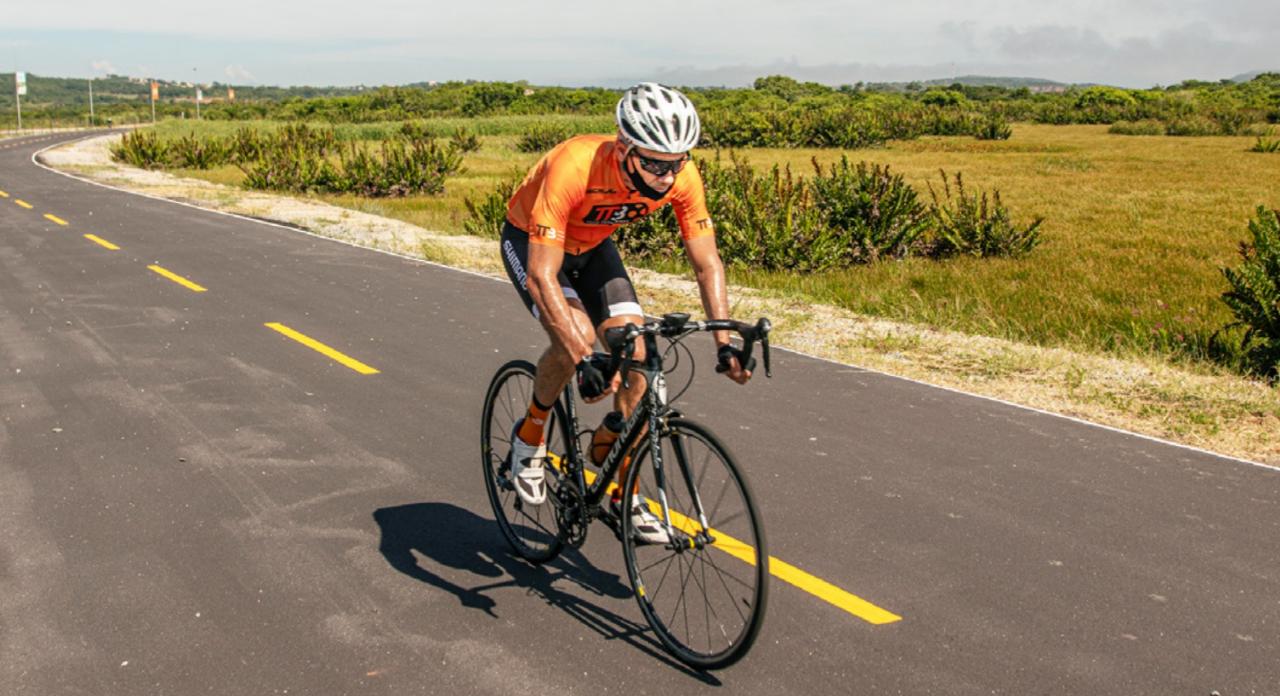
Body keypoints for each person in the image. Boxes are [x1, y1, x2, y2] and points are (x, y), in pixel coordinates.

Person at [500, 82, 752, 544]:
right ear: (624, 147)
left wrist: (723, 340)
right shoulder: (574, 165)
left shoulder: (682, 177)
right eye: (655, 162)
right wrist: (583, 358)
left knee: (641, 356)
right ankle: (529, 436)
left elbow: (706, 262)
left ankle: (622, 486)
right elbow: (541, 276)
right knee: (571, 333)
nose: (665, 175)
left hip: (594, 248)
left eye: (677, 162)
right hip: (532, 244)